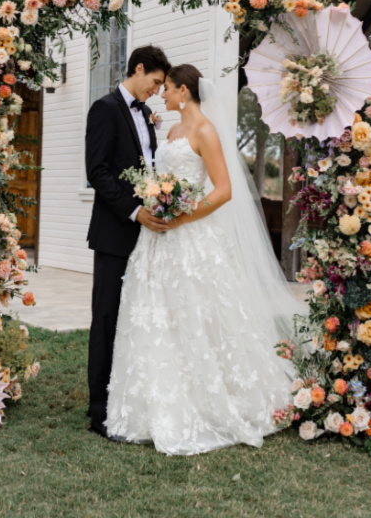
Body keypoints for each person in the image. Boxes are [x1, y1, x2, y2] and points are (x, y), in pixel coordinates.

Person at [106, 64, 304, 455]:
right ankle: (154, 404)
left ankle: (215, 402)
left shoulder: (205, 131)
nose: (162, 94)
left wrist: (181, 215)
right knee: (158, 314)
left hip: (191, 235)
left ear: (184, 91)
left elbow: (224, 190)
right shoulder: (173, 130)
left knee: (198, 313)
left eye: (168, 89)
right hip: (157, 238)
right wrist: (155, 199)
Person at [85, 44, 171, 437]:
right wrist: (135, 211)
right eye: (154, 82)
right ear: (138, 69)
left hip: (147, 233)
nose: (156, 90)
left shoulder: (146, 116)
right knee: (106, 317)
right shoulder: (104, 109)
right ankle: (99, 409)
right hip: (116, 230)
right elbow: (98, 172)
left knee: (135, 316)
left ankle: (126, 398)